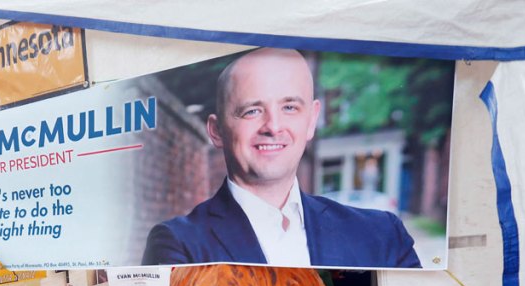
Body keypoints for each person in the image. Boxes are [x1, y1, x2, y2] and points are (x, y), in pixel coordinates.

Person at [142, 48, 421, 269]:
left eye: (289, 107)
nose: (273, 126)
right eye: (252, 111)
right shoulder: (178, 245)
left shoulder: (383, 235)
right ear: (216, 131)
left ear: (311, 120)